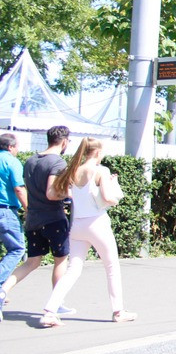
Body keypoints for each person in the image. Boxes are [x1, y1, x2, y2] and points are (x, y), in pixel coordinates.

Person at [42, 138, 136, 326]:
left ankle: (50, 310)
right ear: (98, 152)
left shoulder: (74, 170)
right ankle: (118, 311)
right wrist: (115, 192)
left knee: (73, 269)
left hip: (77, 225)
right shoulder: (101, 170)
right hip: (97, 223)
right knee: (111, 267)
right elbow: (108, 197)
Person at [1, 125, 72, 316]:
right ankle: (56, 303)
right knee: (61, 261)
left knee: (31, 262)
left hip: (33, 219)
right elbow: (51, 192)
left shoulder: (31, 160)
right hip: (53, 218)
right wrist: (69, 194)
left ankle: (2, 290)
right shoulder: (58, 163)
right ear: (64, 142)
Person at [0, 133, 28, 322]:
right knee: (17, 248)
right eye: (17, 147)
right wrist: (29, 209)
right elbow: (19, 188)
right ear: (11, 147)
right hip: (5, 210)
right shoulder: (12, 161)